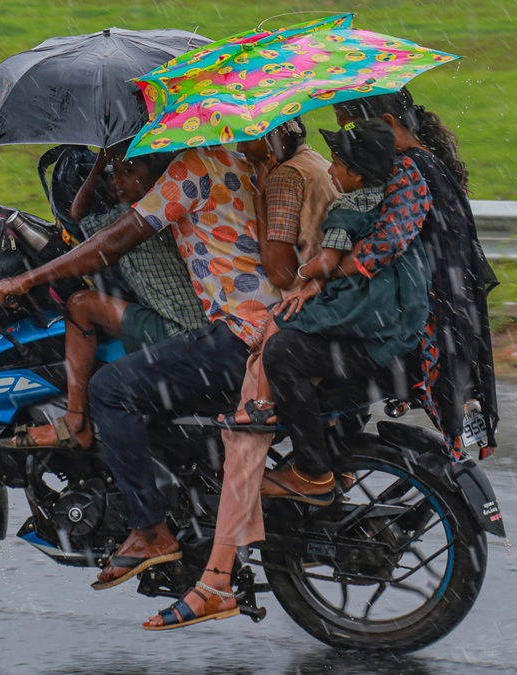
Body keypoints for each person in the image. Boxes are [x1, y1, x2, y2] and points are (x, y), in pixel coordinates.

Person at [0, 144, 281, 618]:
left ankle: (151, 531)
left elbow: (113, 242)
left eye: (128, 164)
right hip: (268, 325)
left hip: (237, 335)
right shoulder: (230, 157)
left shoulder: (189, 171)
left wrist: (29, 280)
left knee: (110, 390)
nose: (120, 174)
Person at [144, 120, 339, 630]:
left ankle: (215, 582)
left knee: (244, 439)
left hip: (298, 312)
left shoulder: (281, 180)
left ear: (273, 137)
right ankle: (313, 528)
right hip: (334, 310)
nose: (237, 143)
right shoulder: (313, 162)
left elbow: (277, 269)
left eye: (248, 136)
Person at [258, 119, 434, 500]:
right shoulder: (398, 197)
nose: (331, 170)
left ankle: (311, 469)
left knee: (281, 348)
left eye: (336, 163)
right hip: (402, 316)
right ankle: (340, 453)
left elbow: (323, 262)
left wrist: (305, 273)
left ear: (354, 174)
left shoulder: (346, 207)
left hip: (368, 316)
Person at [3, 142, 208, 449]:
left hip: (179, 329)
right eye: (115, 174)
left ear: (156, 178)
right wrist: (102, 165)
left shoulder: (147, 217)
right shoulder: (143, 211)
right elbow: (79, 214)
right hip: (182, 323)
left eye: (127, 172)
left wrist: (27, 280)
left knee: (80, 306)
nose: (117, 180)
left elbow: (94, 237)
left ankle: (75, 419)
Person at [332, 89, 500, 462]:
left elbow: (387, 242)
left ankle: (317, 469)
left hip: (431, 319)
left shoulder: (409, 168)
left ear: (388, 124)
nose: (355, 143)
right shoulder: (431, 162)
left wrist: (329, 270)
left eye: (354, 130)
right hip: (452, 309)